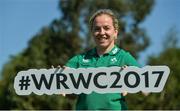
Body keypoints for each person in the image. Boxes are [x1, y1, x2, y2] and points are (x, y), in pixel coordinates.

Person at [64, 9, 140, 110]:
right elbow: (66, 90)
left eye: (106, 28)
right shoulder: (79, 60)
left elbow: (147, 90)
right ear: (92, 33)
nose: (101, 32)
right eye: (97, 29)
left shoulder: (124, 57)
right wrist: (62, 81)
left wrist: (131, 80)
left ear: (115, 32)